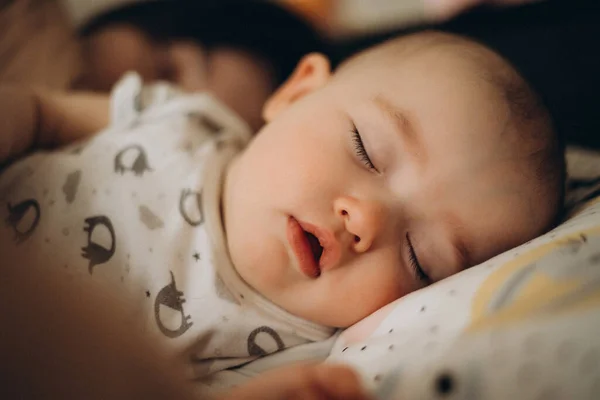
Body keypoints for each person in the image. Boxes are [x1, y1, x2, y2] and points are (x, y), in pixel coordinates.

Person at [0, 30, 564, 397]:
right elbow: (48, 114)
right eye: (365, 149)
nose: (365, 219)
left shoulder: (284, 346)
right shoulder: (184, 121)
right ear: (296, 94)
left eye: (421, 258)